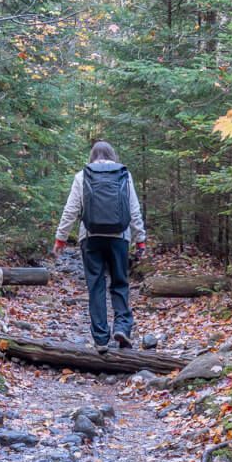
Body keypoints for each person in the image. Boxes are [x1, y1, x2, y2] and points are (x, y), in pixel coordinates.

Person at [54, 141, 146, 350]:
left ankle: (101, 339)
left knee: (95, 286)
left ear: (92, 156)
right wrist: (140, 238)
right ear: (113, 155)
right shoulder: (124, 174)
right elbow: (133, 209)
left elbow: (71, 210)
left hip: (90, 236)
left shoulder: (83, 175)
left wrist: (61, 238)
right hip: (119, 237)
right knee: (120, 283)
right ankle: (122, 327)